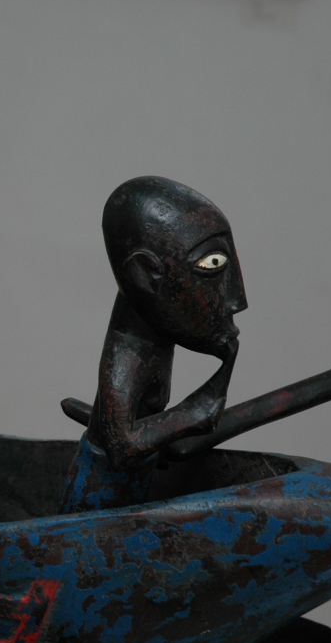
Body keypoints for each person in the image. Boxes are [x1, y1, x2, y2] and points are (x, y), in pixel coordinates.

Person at [60, 176, 246, 513]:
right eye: (212, 265)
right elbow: (121, 448)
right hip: (95, 504)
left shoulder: (152, 338)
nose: (237, 299)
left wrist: (169, 426)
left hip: (126, 492)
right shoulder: (127, 357)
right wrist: (189, 416)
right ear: (144, 275)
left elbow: (131, 431)